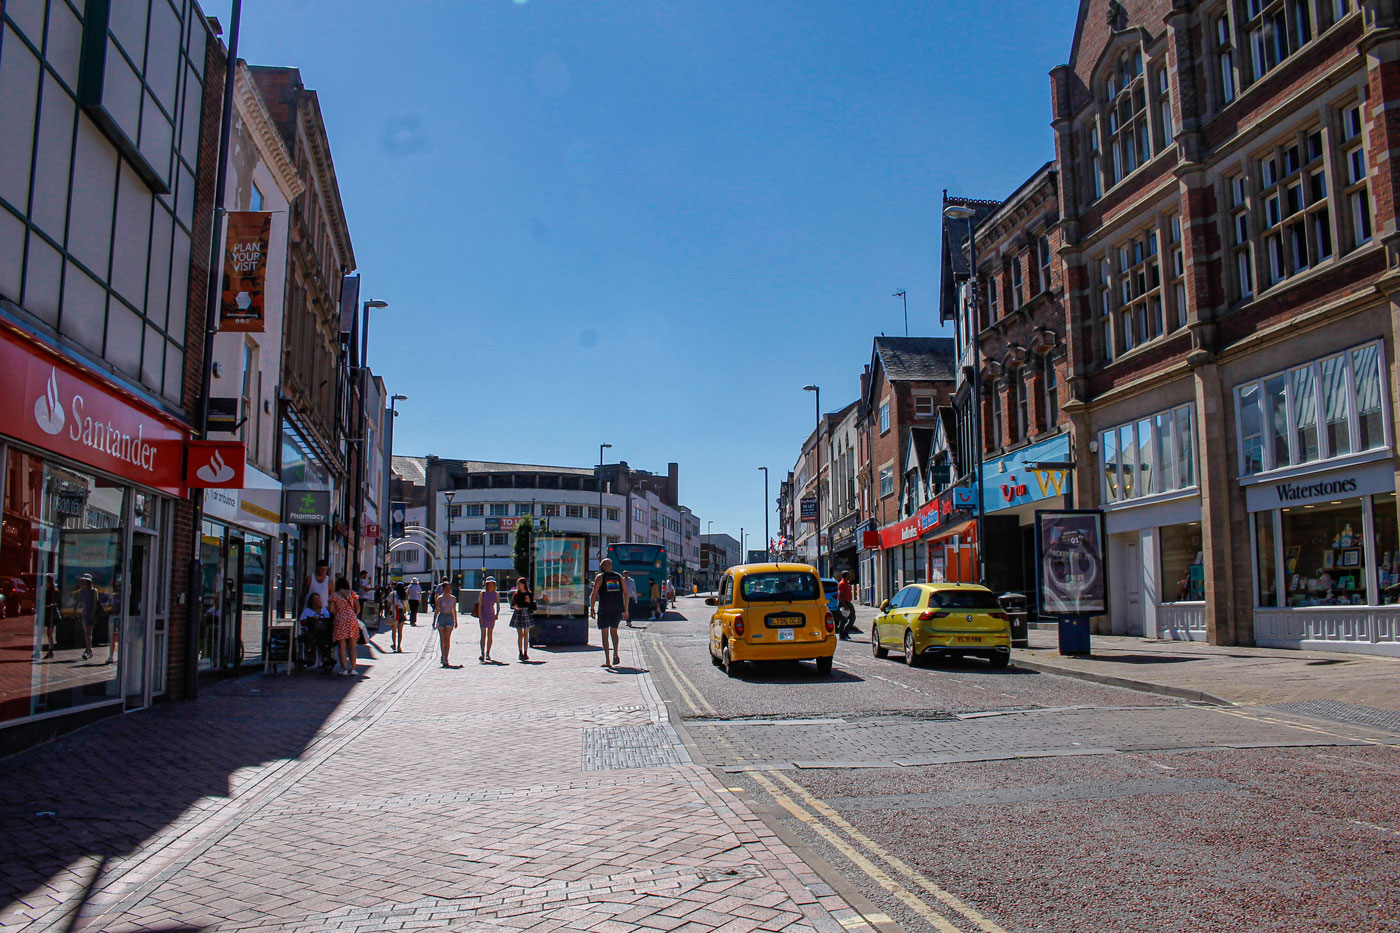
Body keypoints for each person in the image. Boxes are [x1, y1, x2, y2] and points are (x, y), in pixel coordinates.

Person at [589, 558, 628, 667]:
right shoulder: (619, 577)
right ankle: (615, 653)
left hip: (604, 610)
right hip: (616, 609)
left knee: (605, 635)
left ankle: (607, 661)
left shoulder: (600, 577)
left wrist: (592, 608)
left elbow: (594, 593)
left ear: (603, 566)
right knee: (614, 632)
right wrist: (626, 609)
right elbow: (626, 594)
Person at [327, 576, 360, 676]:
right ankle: (353, 668)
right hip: (352, 619)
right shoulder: (352, 593)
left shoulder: (334, 595)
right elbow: (358, 608)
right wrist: (352, 614)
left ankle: (344, 669)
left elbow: (331, 610)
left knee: (342, 646)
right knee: (352, 646)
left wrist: (339, 613)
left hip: (340, 619)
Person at [434, 580, 458, 668]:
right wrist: (434, 621)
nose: (448, 590)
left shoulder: (453, 598)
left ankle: (446, 657)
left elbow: (454, 610)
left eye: (449, 588)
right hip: (442, 617)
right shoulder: (440, 598)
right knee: (442, 638)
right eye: (446, 588)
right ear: (443, 589)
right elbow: (437, 610)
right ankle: (442, 654)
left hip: (450, 618)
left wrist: (456, 620)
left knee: (447, 638)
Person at [509, 578, 534, 662]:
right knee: (520, 634)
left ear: (524, 584)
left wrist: (529, 601)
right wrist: (515, 607)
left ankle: (526, 652)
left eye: (519, 584)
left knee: (526, 633)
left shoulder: (529, 593)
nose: (518, 586)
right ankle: (520, 652)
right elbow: (512, 605)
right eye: (518, 584)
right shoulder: (516, 594)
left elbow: (532, 605)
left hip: (526, 612)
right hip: (519, 613)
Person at [477, 577, 500, 663]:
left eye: (492, 584)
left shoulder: (496, 594)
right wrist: (480, 617)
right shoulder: (483, 593)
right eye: (489, 583)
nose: (491, 585)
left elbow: (498, 605)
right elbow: (480, 605)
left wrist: (497, 614)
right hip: (484, 614)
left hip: (491, 614)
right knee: (483, 634)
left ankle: (488, 652)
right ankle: (482, 652)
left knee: (490, 634)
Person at [76, 574, 96, 661]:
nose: (84, 583)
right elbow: (79, 601)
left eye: (85, 581)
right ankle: (88, 649)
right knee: (86, 633)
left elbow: (95, 603)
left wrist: (92, 614)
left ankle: (88, 650)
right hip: (85, 613)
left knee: (88, 633)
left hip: (90, 613)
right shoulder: (82, 591)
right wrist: (75, 610)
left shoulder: (94, 591)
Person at [385, 582, 405, 652]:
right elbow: (405, 605)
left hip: (394, 612)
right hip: (401, 612)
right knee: (400, 631)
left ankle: (394, 645)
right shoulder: (404, 595)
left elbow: (388, 603)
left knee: (394, 630)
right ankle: (399, 646)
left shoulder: (392, 594)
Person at [836, 571, 856, 639]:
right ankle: (842, 635)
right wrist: (844, 605)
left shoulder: (847, 583)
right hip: (844, 603)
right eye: (848, 575)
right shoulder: (842, 584)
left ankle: (846, 632)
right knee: (843, 620)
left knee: (852, 618)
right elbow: (840, 595)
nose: (849, 576)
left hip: (848, 602)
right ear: (845, 576)